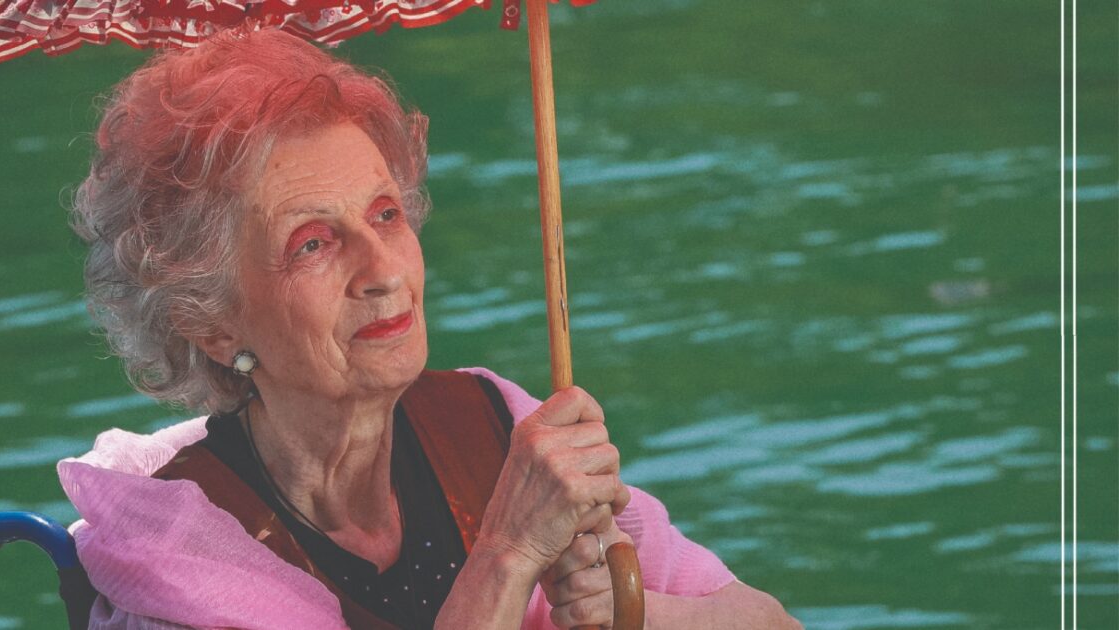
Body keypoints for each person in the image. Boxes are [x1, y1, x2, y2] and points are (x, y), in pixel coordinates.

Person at [59, 26, 801, 630]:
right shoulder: (178, 568)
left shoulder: (492, 424)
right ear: (210, 321)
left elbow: (770, 623)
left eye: (386, 214)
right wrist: (507, 555)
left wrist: (630, 611)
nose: (383, 269)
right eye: (312, 243)